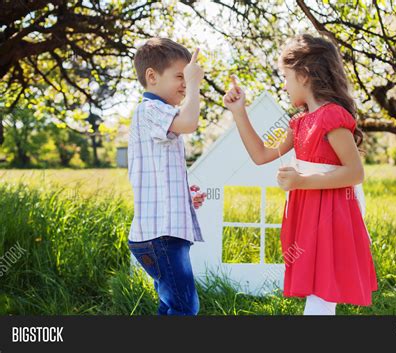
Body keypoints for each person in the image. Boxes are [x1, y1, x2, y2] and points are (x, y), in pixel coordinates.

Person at [223, 34, 378, 315]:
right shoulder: (299, 122)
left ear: (304, 75)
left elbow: (355, 172)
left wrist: (301, 181)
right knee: (317, 290)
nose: (283, 85)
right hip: (309, 212)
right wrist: (239, 112)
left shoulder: (332, 116)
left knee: (322, 289)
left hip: (331, 214)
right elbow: (262, 155)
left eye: (286, 76)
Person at [127, 38, 206, 315]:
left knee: (173, 304)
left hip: (163, 233)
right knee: (185, 306)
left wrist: (186, 195)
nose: (185, 84)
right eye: (180, 77)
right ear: (152, 76)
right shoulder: (150, 110)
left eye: (187, 78)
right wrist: (196, 84)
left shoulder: (160, 114)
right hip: (159, 235)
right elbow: (190, 123)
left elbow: (160, 173)